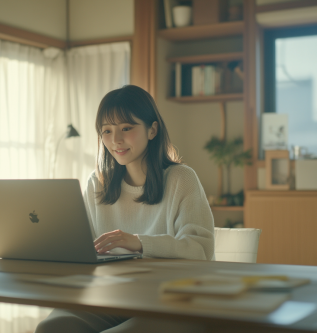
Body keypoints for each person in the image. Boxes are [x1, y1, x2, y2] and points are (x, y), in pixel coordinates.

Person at [35, 85, 214, 333]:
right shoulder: (97, 183)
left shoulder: (181, 179)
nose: (115, 140)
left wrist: (140, 242)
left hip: (174, 302)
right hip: (113, 295)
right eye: (106, 131)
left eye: (126, 128)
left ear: (152, 130)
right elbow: (84, 247)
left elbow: (200, 250)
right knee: (53, 327)